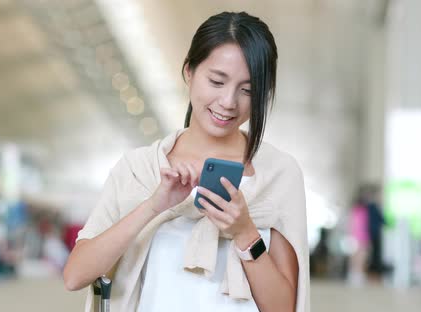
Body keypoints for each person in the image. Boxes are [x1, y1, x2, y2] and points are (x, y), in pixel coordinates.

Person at [63, 11, 309, 312]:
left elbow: (285, 307)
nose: (229, 102)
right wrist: (154, 205)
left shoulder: (278, 175)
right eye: (217, 81)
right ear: (189, 71)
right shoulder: (139, 170)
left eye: (247, 90)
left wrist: (245, 232)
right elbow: (76, 275)